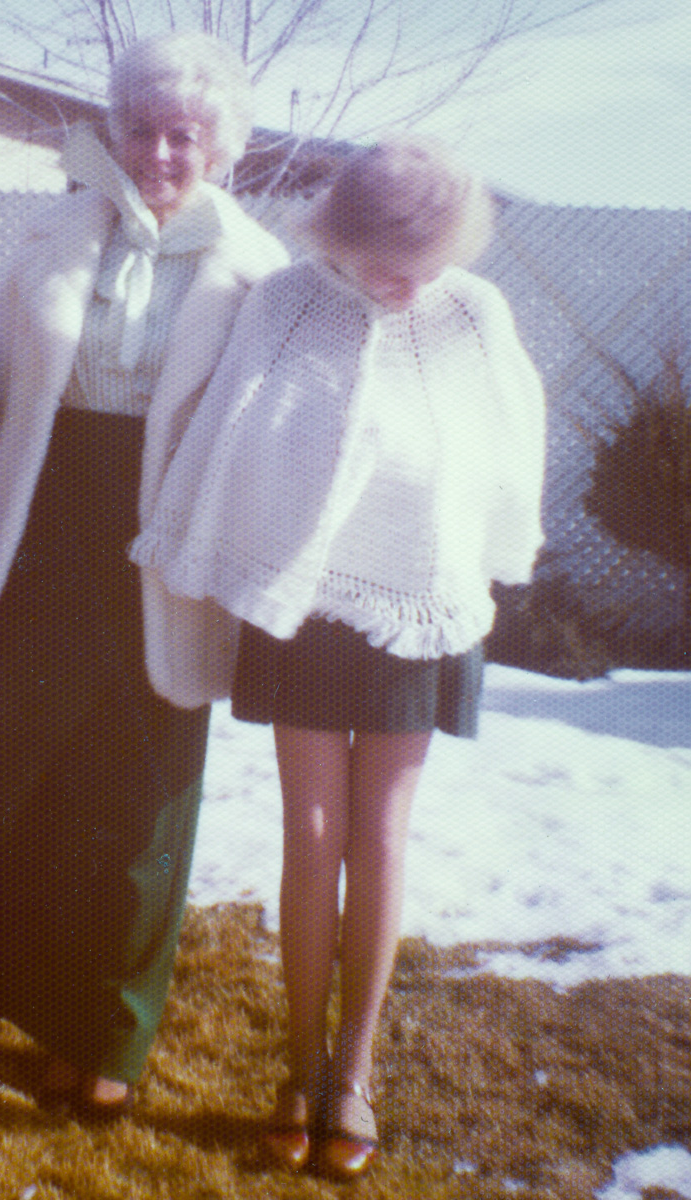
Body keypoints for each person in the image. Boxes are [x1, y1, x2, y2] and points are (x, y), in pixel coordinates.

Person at [131, 138, 546, 1177]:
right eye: (378, 255)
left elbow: (507, 443)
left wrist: (490, 551)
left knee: (383, 834)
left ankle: (353, 1073)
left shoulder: (473, 317)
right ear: (342, 237)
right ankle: (298, 1064)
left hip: (422, 602)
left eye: (421, 255)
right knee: (311, 833)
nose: (400, 280)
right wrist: (215, 538)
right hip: (306, 602)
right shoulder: (287, 302)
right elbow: (237, 428)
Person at [0, 32, 289, 1117]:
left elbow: (261, 432)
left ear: (219, 145)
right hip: (48, 532)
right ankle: (22, 1016)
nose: (161, 151)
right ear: (115, 130)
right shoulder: (53, 235)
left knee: (142, 803)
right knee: (30, 777)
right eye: (143, 128)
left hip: (166, 543)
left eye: (185, 134)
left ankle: (111, 1048)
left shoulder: (260, 271)